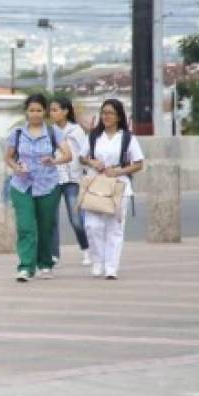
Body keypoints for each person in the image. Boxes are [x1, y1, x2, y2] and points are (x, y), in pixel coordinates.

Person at [4, 93, 74, 283]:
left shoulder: (53, 132)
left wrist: (54, 160)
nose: (35, 114)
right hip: (22, 185)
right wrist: (16, 167)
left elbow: (68, 155)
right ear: (26, 112)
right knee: (26, 226)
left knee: (46, 226)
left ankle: (45, 264)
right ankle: (26, 267)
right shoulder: (17, 133)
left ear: (45, 112)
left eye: (39, 110)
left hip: (48, 185)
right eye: (31, 110)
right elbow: (8, 157)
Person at [79, 99, 144, 280]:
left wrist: (118, 171)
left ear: (118, 116)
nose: (106, 116)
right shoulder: (93, 136)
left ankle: (111, 267)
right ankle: (97, 261)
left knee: (114, 227)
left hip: (117, 185)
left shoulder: (127, 138)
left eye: (110, 113)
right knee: (92, 226)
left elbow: (138, 164)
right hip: (96, 183)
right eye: (104, 112)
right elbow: (81, 157)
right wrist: (92, 162)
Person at [49, 96, 91, 267]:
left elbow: (85, 153)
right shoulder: (49, 131)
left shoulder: (76, 130)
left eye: (55, 109)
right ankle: (53, 255)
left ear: (66, 111)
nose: (52, 113)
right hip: (52, 179)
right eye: (50, 110)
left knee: (76, 218)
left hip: (72, 179)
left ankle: (86, 250)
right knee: (50, 219)